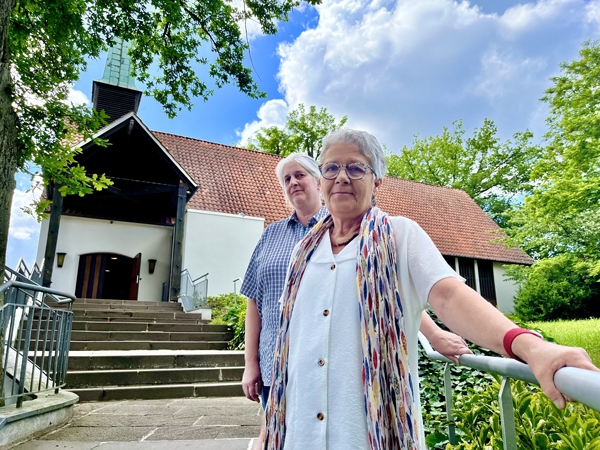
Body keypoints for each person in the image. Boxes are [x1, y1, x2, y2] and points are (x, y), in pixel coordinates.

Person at [261, 129, 599, 450]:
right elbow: (292, 342)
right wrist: (268, 425)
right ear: (321, 181)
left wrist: (528, 346)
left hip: (367, 435)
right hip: (298, 431)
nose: (342, 176)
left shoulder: (399, 235)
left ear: (377, 180)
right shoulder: (302, 251)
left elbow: (449, 296)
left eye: (355, 168)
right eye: (332, 167)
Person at [241, 153, 471, 449]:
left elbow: (388, 291)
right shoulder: (271, 235)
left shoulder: (348, 225)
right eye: (286, 179)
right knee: (276, 434)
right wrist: (250, 363)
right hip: (278, 360)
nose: (293, 183)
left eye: (300, 175)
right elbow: (253, 300)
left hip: (338, 357)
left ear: (317, 180)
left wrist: (434, 333)